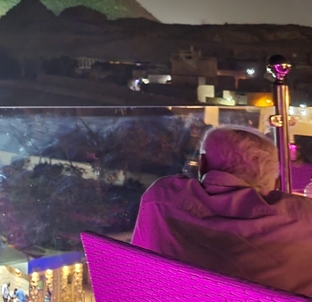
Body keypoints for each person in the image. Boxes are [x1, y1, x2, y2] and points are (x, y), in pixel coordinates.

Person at [132, 125, 312, 296]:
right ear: (277, 181)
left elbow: (136, 268)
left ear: (202, 164)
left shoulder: (161, 197)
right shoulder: (304, 219)